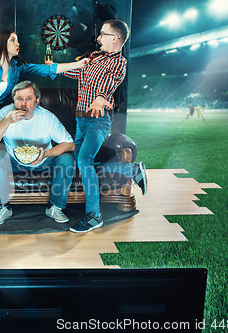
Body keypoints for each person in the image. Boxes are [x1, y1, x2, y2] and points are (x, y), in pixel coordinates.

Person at [0, 30, 87, 232]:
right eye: (13, 39)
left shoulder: (16, 68)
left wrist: (78, 65)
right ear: (2, 42)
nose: (17, 43)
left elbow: (46, 69)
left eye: (18, 40)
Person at [63, 20, 147, 233]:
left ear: (115, 38)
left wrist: (100, 98)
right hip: (80, 120)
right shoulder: (93, 57)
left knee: (84, 160)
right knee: (81, 162)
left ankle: (94, 216)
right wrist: (56, 67)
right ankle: (131, 169)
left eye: (102, 34)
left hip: (97, 121)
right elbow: (75, 74)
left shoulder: (119, 63)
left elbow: (109, 83)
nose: (98, 38)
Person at [0, 81, 75, 225]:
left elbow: (70, 144)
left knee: (67, 159)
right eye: (19, 99)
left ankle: (55, 207)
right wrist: (7, 121)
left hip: (42, 160)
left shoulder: (47, 117)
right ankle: (3, 207)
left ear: (37, 101)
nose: (23, 104)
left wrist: (46, 153)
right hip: (13, 161)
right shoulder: (5, 113)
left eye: (29, 99)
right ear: (13, 100)